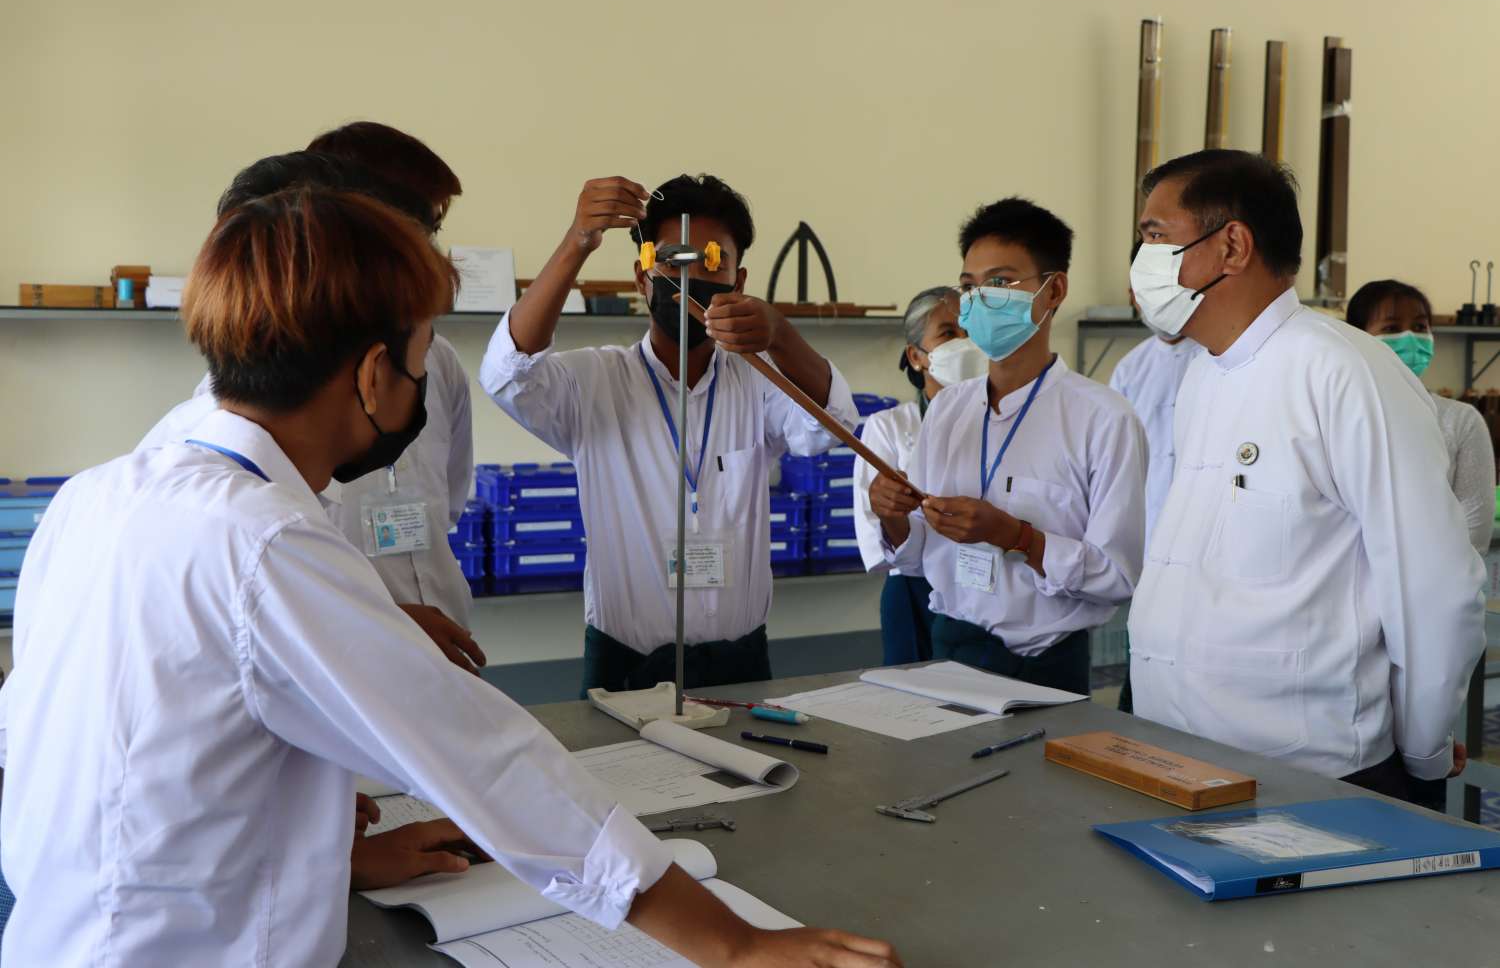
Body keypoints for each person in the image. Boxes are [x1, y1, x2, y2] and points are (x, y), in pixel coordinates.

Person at [0, 187, 900, 967]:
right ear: (371, 374)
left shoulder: (96, 495)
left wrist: (337, 856)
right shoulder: (269, 542)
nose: (427, 387)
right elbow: (490, 764)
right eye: (423, 356)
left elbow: (113, 761)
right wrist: (735, 944)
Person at [1127, 149, 1485, 807]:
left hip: (1310, 775)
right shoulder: (1204, 372)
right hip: (1184, 758)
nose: (1141, 260)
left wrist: (1422, 753)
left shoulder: (1343, 372)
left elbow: (1432, 586)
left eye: (1155, 236)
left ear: (1231, 246)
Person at [481, 174, 858, 695]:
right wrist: (578, 241)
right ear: (643, 279)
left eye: (712, 262)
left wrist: (780, 333)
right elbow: (507, 376)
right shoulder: (594, 381)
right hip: (625, 666)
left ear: (738, 281)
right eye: (672, 261)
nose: (691, 277)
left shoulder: (758, 381)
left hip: (740, 663)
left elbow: (832, 423)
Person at [139, 130, 484, 676]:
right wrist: (374, 624)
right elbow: (246, 629)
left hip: (429, 651)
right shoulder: (239, 502)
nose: (423, 250)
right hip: (349, 671)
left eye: (429, 231)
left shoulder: (435, 363)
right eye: (406, 229)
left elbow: (450, 502)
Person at [868, 199, 1148, 694]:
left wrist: (1019, 537)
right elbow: (914, 557)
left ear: (1053, 290)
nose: (979, 300)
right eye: (969, 286)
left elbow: (1116, 576)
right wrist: (890, 514)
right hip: (949, 649)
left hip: (1044, 664)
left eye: (1000, 282)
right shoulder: (948, 410)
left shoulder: (1103, 419)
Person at [853, 287, 985, 665]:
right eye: (948, 334)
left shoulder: (1000, 420)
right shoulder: (889, 427)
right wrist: (891, 509)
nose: (964, 343)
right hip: (914, 590)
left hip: (985, 584)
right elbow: (883, 541)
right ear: (916, 356)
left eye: (970, 332)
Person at [1107, 240, 1204, 713]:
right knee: (1144, 666)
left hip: (1205, 546)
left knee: (1196, 675)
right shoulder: (1130, 368)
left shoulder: (1215, 356)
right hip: (1149, 547)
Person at [1346, 279, 1495, 556]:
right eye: (1391, 328)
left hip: (1440, 580)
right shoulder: (1338, 420)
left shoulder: (1461, 421)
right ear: (1357, 338)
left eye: (1419, 326)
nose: (1411, 338)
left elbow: (1474, 531)